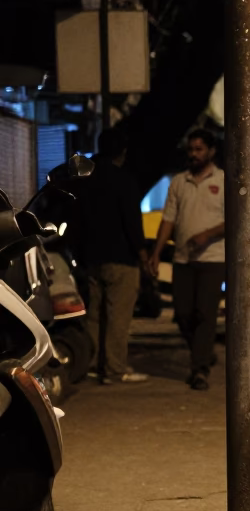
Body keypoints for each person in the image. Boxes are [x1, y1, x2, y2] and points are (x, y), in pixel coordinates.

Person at [147, 130, 226, 390]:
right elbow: (168, 219)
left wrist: (208, 234)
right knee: (182, 314)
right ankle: (203, 351)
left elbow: (235, 219)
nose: (193, 154)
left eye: (199, 149)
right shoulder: (178, 182)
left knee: (205, 313)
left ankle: (199, 369)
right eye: (191, 149)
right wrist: (157, 253)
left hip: (213, 260)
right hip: (183, 259)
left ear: (211, 151)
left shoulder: (224, 180)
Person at [75, 127, 149, 385]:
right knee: (118, 316)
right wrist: (143, 255)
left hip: (92, 257)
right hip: (121, 258)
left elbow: (78, 220)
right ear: (123, 151)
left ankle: (94, 364)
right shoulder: (124, 180)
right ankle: (115, 369)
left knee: (94, 314)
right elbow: (131, 222)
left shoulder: (86, 180)